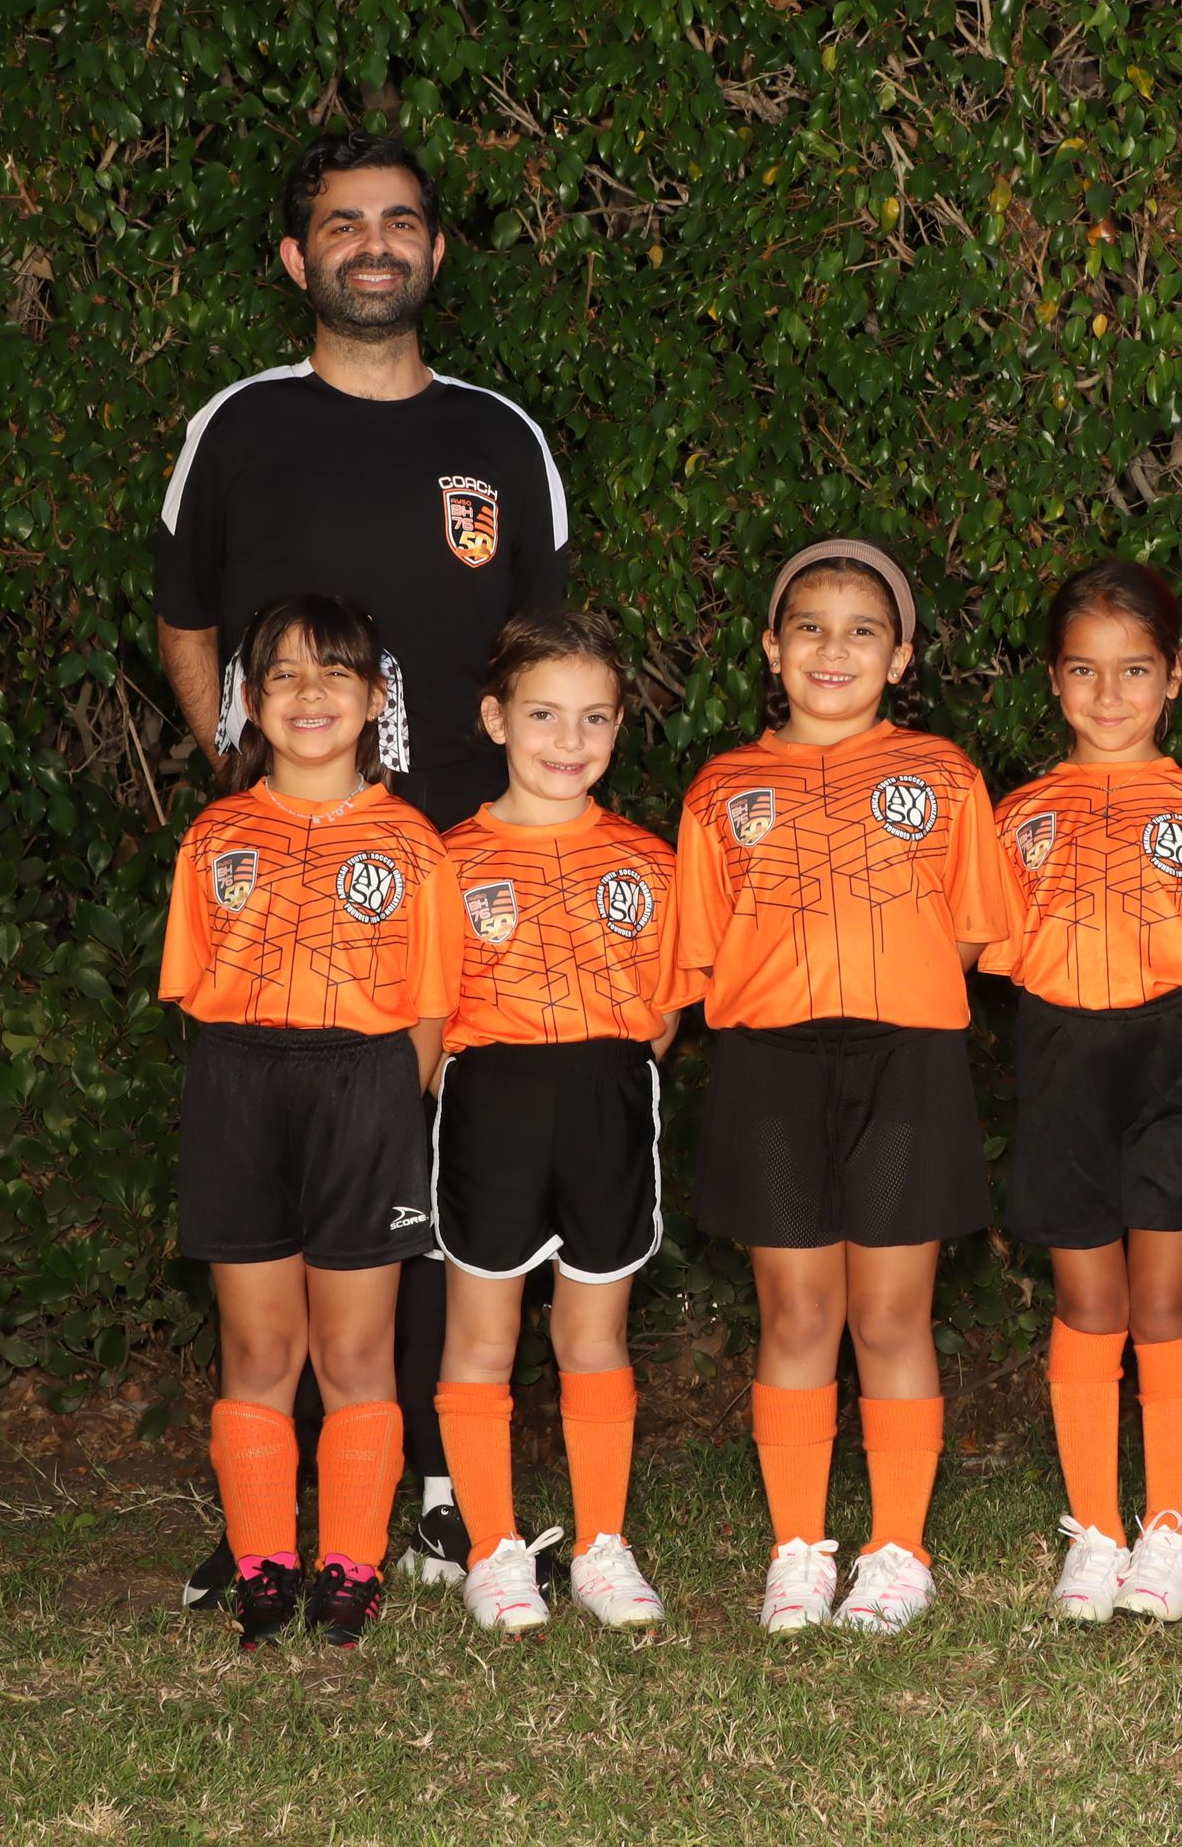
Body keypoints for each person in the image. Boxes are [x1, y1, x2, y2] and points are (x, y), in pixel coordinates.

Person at [155, 132, 571, 1603]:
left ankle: (444, 1489)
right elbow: (186, 615)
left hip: (465, 847)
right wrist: (242, 774)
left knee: (448, 1171)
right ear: (298, 258)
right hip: (302, 852)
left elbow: (541, 649)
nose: (374, 244)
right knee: (294, 1172)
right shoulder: (242, 426)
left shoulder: (502, 439)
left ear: (436, 252)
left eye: (400, 221)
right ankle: (273, 1520)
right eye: (342, 224)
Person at [673, 540, 1015, 1636]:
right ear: (771, 649)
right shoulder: (722, 788)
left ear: (900, 656)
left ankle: (899, 1548)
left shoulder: (943, 776)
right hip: (770, 1062)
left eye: (863, 629)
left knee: (891, 1311)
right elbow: (701, 946)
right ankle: (797, 1547)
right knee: (797, 1309)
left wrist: (886, 988)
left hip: (905, 1060)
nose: (835, 647)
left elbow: (970, 931)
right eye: (810, 627)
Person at [156, 594, 464, 1649]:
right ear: (248, 700)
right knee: (258, 1342)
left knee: (355, 1346)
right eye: (282, 673)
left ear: (377, 700)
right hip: (241, 1085)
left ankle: (351, 1563)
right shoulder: (215, 836)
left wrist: (381, 1108)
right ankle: (262, 1563)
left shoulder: (412, 842)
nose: (309, 691)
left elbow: (431, 1010)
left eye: (335, 671)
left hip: (367, 1087)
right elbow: (197, 988)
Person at [982, 561, 1182, 1627]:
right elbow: (997, 956)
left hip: (1174, 1053)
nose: (1108, 693)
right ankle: (1095, 1528)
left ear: (1174, 676)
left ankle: (1168, 1527)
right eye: (1084, 670)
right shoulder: (1018, 817)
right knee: (1089, 1300)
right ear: (1054, 681)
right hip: (1062, 1055)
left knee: (1166, 1299)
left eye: (1134, 668)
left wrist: (1180, 1052)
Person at [430, 610, 698, 1635]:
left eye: (594, 716)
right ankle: (492, 1549)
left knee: (593, 1333)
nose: (569, 738)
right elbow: (424, 1014)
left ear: (621, 724)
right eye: (543, 713)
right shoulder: (446, 861)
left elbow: (665, 1014)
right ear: (496, 718)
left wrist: (606, 1072)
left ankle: (601, 1546)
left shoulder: (648, 860)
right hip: (491, 1103)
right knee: (483, 1334)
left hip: (606, 1102)